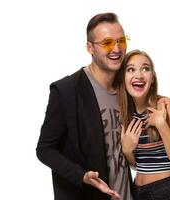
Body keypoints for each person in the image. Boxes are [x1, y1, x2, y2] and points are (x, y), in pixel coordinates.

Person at [36, 13, 134, 200]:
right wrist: (80, 175)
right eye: (106, 43)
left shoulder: (127, 88)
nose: (116, 48)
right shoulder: (66, 91)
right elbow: (45, 150)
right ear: (90, 47)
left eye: (121, 41)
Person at [116, 49, 170, 200]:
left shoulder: (165, 105)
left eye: (145, 68)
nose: (139, 75)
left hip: (166, 192)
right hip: (136, 192)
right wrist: (128, 151)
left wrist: (161, 125)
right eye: (131, 69)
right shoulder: (126, 114)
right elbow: (139, 166)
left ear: (152, 78)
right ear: (123, 78)